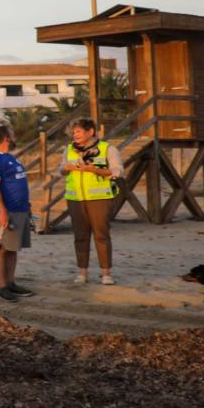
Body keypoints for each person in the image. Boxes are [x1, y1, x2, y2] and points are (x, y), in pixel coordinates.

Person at [61, 117, 123, 286]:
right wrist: (66, 168)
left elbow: (117, 171)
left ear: (90, 132)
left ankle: (106, 274)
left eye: (79, 131)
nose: (75, 135)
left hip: (100, 199)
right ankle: (83, 273)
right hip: (75, 199)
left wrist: (93, 169)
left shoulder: (107, 149)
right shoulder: (68, 150)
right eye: (74, 132)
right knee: (80, 236)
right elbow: (61, 169)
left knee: (101, 236)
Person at [0, 125, 34, 303]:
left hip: (20, 210)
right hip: (6, 211)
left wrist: (27, 206)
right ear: (6, 138)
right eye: (12, 134)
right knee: (1, 248)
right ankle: (1, 287)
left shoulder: (10, 158)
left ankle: (10, 283)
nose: (15, 136)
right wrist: (2, 210)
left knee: (12, 248)